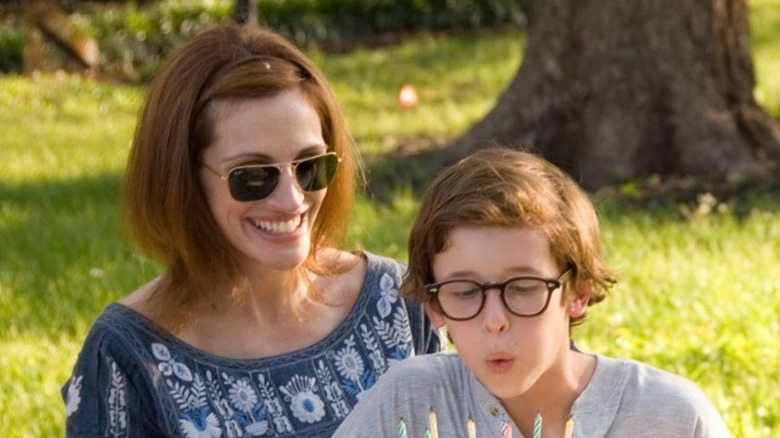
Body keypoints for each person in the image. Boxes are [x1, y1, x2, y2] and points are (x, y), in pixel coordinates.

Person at [61, 24, 440, 437]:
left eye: (311, 166)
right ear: (183, 179)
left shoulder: (395, 302)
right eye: (253, 177)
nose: (292, 199)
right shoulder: (125, 358)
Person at [333, 147, 731, 437]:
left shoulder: (671, 418)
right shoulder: (408, 402)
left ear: (576, 291)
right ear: (434, 306)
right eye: (465, 292)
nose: (494, 321)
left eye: (523, 287)